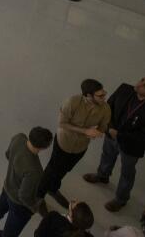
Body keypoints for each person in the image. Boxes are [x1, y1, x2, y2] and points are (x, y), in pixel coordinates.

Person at [84, 76, 145, 212]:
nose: (139, 84)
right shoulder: (124, 89)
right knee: (107, 155)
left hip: (130, 146)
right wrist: (109, 127)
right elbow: (108, 107)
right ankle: (102, 176)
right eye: (141, 80)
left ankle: (121, 199)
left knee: (127, 172)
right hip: (111, 133)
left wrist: (120, 135)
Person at [39, 79, 111, 210]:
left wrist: (98, 132)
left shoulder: (105, 109)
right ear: (88, 95)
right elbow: (62, 123)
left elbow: (103, 127)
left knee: (65, 169)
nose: (104, 97)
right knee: (52, 170)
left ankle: (53, 189)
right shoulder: (72, 102)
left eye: (104, 94)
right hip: (63, 143)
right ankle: (38, 197)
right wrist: (85, 131)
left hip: (80, 147)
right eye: (100, 95)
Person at [0, 127, 55, 237]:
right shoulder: (35, 170)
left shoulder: (19, 138)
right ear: (43, 147)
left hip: (7, 188)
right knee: (10, 233)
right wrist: (34, 206)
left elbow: (8, 154)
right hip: (18, 204)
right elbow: (24, 196)